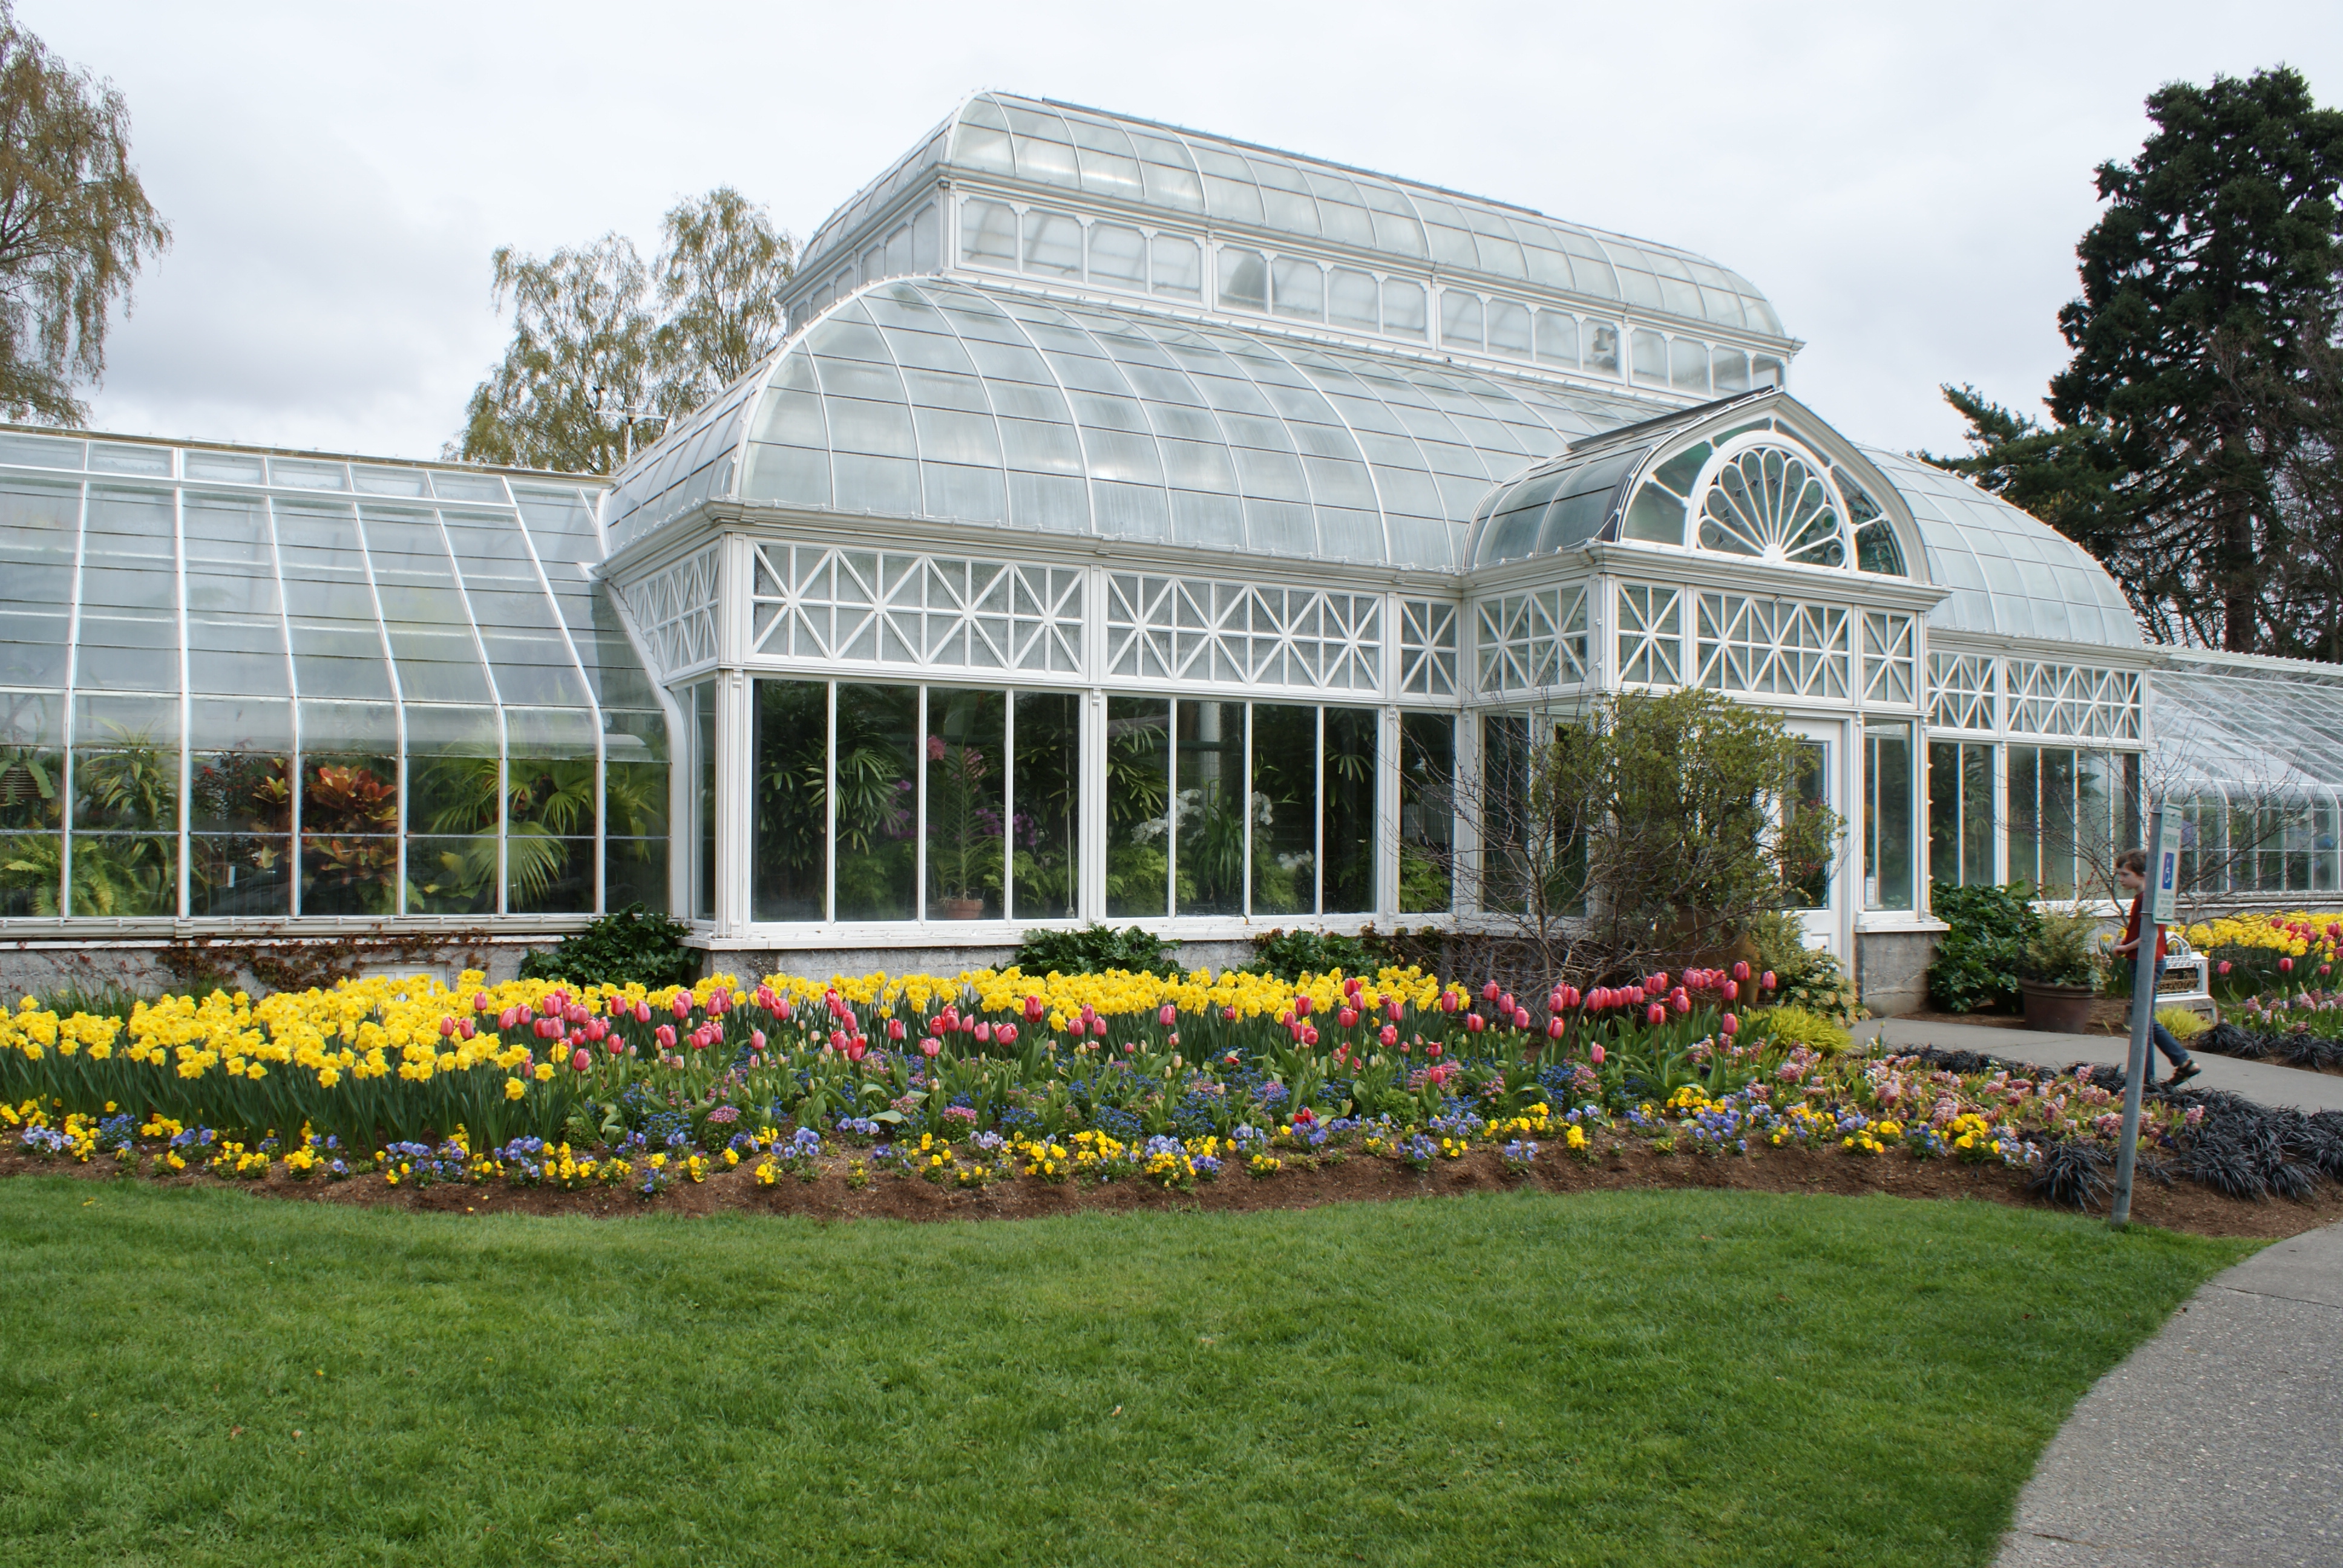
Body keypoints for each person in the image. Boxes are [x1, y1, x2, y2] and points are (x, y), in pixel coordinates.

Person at [2112, 847, 2200, 1088]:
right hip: (2146, 960)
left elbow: (2149, 935)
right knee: (2143, 1019)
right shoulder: (2146, 898)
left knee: (2143, 1020)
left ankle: (2157, 1073)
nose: (2120, 879)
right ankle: (2161, 1072)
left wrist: (2123, 948)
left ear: (2143, 874)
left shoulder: (2148, 901)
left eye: (2124, 874)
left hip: (2146, 961)